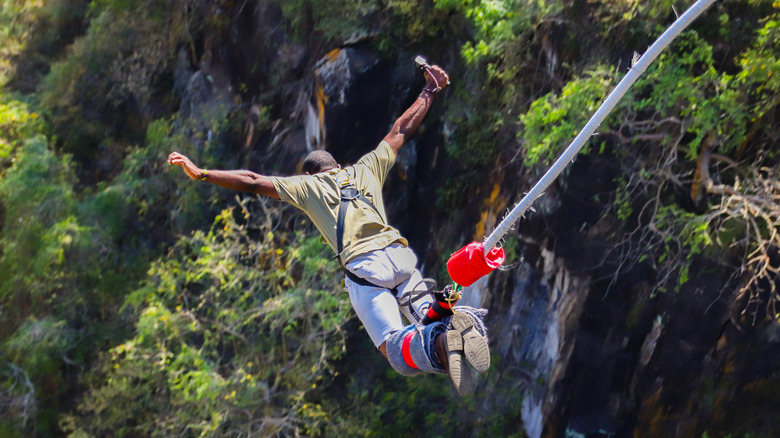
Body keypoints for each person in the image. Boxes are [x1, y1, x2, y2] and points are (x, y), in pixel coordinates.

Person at [167, 61, 489, 395]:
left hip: (366, 269)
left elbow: (252, 180)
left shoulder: (307, 188)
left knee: (396, 350)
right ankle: (452, 330)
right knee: (430, 319)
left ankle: (439, 345)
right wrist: (429, 90)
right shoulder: (365, 169)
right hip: (401, 260)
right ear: (337, 166)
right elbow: (400, 131)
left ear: (309, 176)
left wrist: (202, 172)